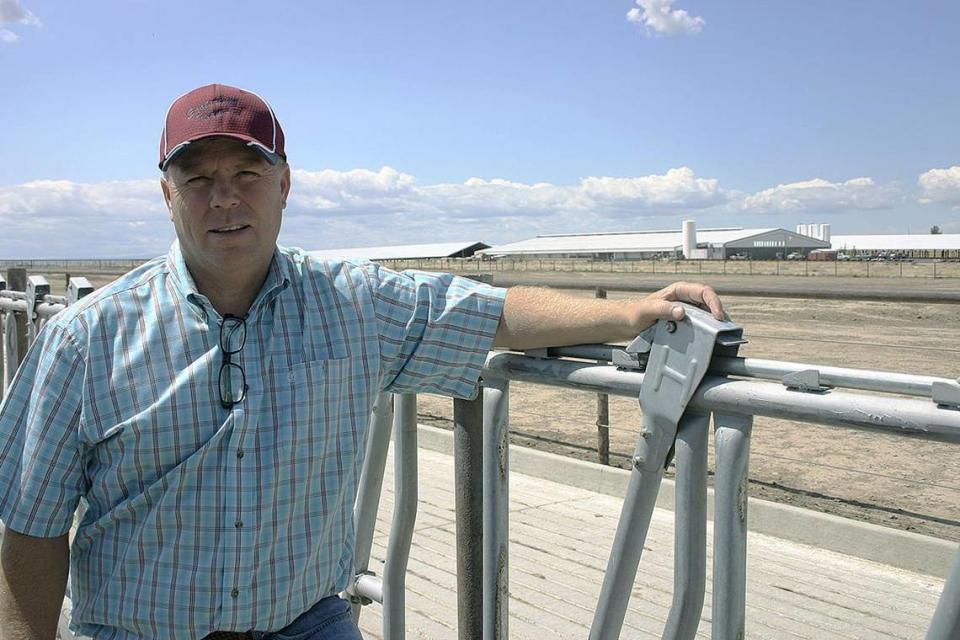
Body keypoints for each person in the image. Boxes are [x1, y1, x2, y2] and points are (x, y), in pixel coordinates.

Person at [0, 84, 724, 640]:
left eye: (248, 174)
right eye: (198, 179)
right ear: (167, 196)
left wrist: (630, 311)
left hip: (306, 623)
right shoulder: (86, 339)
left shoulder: (353, 303)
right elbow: (29, 526)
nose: (225, 199)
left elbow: (489, 312)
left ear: (285, 186)